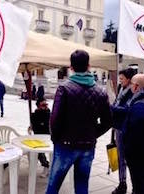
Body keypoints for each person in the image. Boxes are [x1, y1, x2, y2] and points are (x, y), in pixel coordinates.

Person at [46, 50, 112, 194]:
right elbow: (108, 121)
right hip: (88, 146)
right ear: (89, 66)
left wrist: (56, 138)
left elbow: (55, 119)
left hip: (65, 145)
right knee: (82, 186)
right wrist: (93, 134)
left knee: (53, 186)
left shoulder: (64, 88)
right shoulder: (100, 92)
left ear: (71, 67)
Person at [111, 68, 136, 194]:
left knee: (128, 158)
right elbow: (117, 102)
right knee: (121, 157)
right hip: (118, 127)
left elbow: (127, 109)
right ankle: (122, 183)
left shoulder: (132, 92)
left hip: (127, 129)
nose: (120, 81)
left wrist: (112, 107)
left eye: (122, 79)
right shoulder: (122, 89)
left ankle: (134, 186)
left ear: (129, 79)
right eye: (119, 79)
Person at [31, 98, 50, 178]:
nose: (45, 106)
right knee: (38, 152)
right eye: (43, 105)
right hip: (38, 137)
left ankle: (50, 166)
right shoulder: (34, 115)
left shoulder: (49, 114)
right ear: (38, 106)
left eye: (46, 104)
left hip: (48, 137)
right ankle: (46, 165)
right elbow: (35, 126)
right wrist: (31, 125)